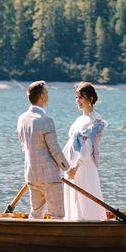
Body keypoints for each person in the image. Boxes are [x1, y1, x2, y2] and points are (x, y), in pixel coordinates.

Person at [16, 81, 68, 219]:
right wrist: (68, 168)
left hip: (31, 174)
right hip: (49, 176)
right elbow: (55, 149)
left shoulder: (21, 119)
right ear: (43, 96)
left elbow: (23, 146)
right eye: (47, 93)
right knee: (57, 215)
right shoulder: (46, 120)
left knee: (35, 214)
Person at [63, 82, 108, 221]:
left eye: (80, 97)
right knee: (73, 195)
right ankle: (73, 219)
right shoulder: (79, 120)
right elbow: (70, 144)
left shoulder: (96, 121)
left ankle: (90, 221)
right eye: (76, 97)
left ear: (90, 98)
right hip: (71, 164)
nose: (78, 101)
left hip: (84, 165)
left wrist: (76, 167)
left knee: (86, 193)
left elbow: (88, 147)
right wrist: (64, 164)